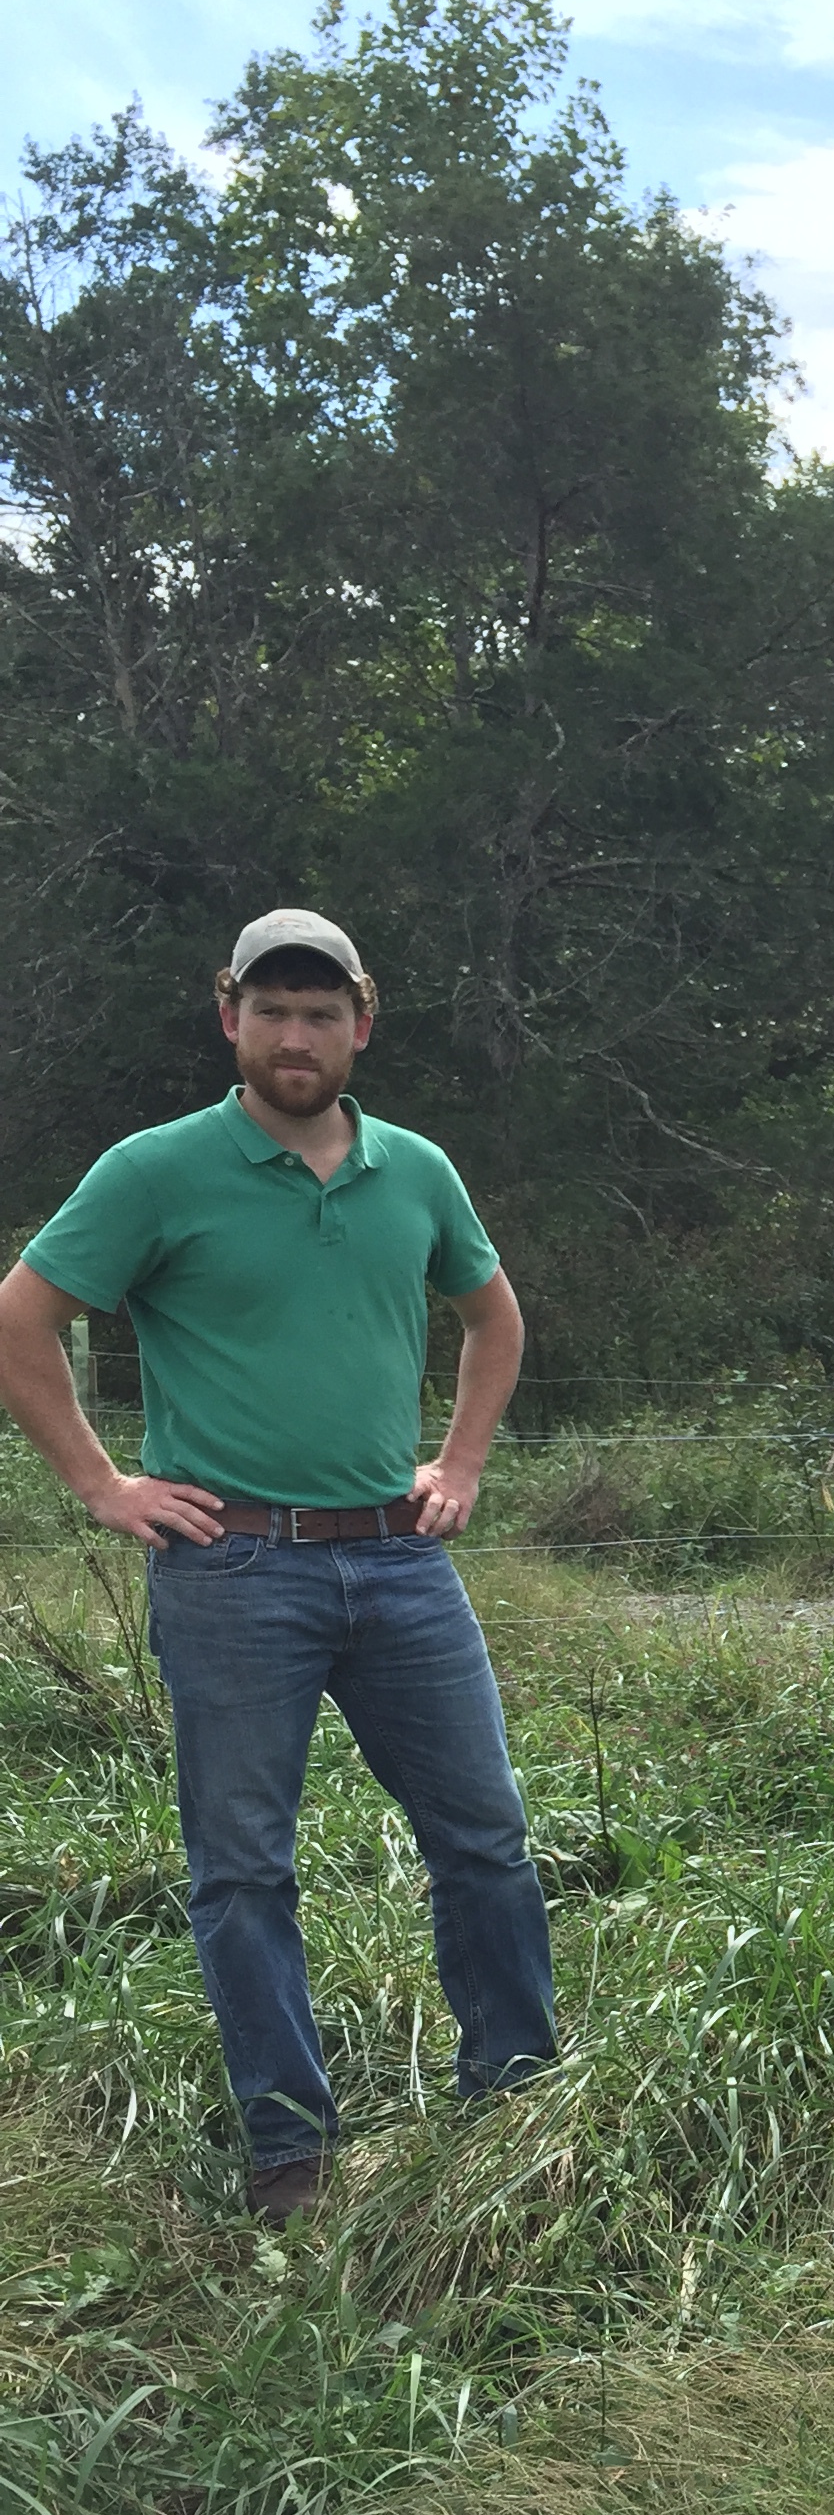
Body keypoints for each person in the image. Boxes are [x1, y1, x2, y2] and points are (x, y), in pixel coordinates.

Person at [0, 907, 554, 2225]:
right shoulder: (158, 1170)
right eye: (271, 1010)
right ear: (229, 1017)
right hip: (233, 1566)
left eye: (320, 1013)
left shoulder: (415, 1170)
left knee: (484, 1839)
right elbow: (24, 1315)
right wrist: (101, 1483)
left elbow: (492, 1318)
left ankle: (517, 2104)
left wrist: (460, 1467)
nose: (294, 1036)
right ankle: (292, 2153)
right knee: (243, 1870)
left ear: (361, 1023)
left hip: (402, 1564)